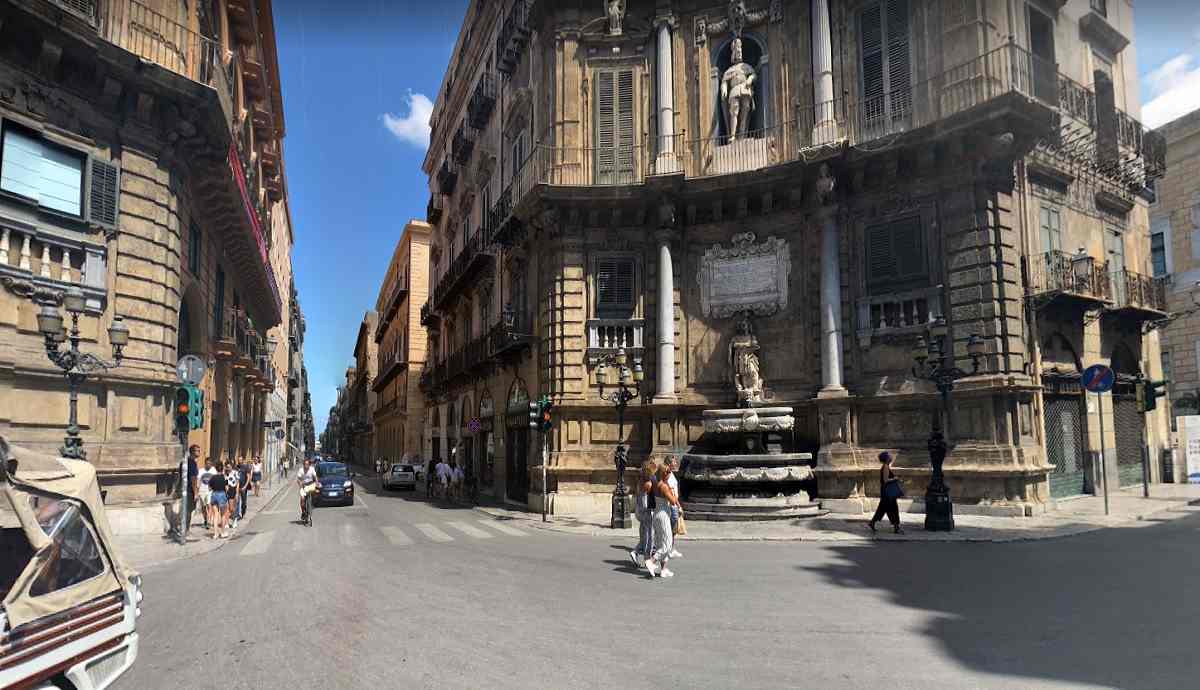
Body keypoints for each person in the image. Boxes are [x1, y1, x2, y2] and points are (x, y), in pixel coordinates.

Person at [646, 462, 679, 578]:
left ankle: (663, 570)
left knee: (660, 543)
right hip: (663, 515)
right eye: (668, 472)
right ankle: (651, 561)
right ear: (663, 473)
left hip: (657, 514)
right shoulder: (664, 486)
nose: (669, 474)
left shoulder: (655, 483)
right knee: (668, 544)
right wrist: (674, 492)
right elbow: (673, 501)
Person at [629, 460, 657, 569]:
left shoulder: (640, 480)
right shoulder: (647, 483)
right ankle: (647, 558)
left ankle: (636, 553)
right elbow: (647, 501)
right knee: (650, 536)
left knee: (645, 536)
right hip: (646, 512)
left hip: (640, 511)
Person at [868, 451, 904, 534]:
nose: (891, 457)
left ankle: (872, 522)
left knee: (883, 508)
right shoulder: (885, 467)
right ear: (886, 458)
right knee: (893, 508)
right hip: (887, 492)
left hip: (886, 492)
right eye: (889, 456)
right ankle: (896, 527)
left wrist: (895, 478)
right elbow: (885, 480)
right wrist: (895, 479)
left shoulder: (886, 466)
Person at [665, 456, 683, 559]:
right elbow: (672, 493)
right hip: (672, 505)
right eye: (674, 462)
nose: (676, 463)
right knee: (671, 529)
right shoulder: (668, 476)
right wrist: (679, 505)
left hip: (674, 504)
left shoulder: (671, 474)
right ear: (669, 464)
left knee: (673, 529)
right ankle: (669, 549)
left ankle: (671, 548)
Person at [207, 461, 229, 539]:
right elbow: (226, 488)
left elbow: (209, 488)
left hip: (214, 494)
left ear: (216, 469)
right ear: (222, 469)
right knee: (223, 515)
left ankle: (215, 534)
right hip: (222, 494)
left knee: (215, 514)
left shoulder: (212, 477)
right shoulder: (224, 477)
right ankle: (222, 532)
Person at [198, 458, 217, 530]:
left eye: (210, 463)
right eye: (207, 463)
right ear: (205, 463)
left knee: (209, 506)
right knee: (203, 507)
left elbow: (215, 479)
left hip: (210, 491)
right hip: (202, 490)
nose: (208, 465)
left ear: (211, 464)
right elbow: (199, 480)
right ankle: (206, 520)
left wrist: (213, 487)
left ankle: (209, 521)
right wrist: (197, 490)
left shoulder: (213, 470)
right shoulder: (201, 471)